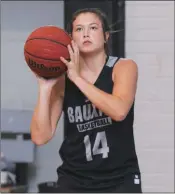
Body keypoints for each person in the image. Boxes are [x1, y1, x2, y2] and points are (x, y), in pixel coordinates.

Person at [30, 8, 142, 193]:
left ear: (106, 36)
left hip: (120, 178)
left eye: (93, 28)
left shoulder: (123, 67)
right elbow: (40, 137)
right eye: (79, 29)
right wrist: (44, 88)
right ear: (71, 39)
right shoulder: (62, 81)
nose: (86, 33)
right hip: (75, 178)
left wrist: (77, 78)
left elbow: (119, 110)